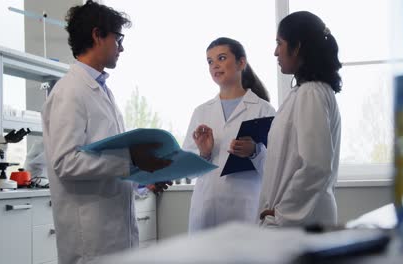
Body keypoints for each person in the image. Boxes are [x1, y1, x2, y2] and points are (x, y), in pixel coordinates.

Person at [42, 1, 171, 263]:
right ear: (97, 35)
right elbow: (66, 163)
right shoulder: (70, 91)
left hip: (115, 234)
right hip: (91, 242)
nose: (122, 48)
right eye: (118, 38)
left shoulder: (102, 90)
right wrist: (131, 159)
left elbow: (108, 164)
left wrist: (143, 178)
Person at [258, 11, 342, 227]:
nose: (275, 52)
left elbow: (316, 165)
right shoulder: (310, 91)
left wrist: (283, 213)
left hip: (298, 220)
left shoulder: (311, 93)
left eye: (280, 43)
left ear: (297, 47)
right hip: (300, 218)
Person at [183, 37, 276, 232]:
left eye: (222, 58)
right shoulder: (202, 111)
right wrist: (204, 154)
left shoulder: (263, 110)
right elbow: (188, 172)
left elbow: (276, 171)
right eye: (210, 61)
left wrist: (254, 152)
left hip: (245, 209)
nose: (215, 65)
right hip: (206, 210)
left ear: (241, 62)